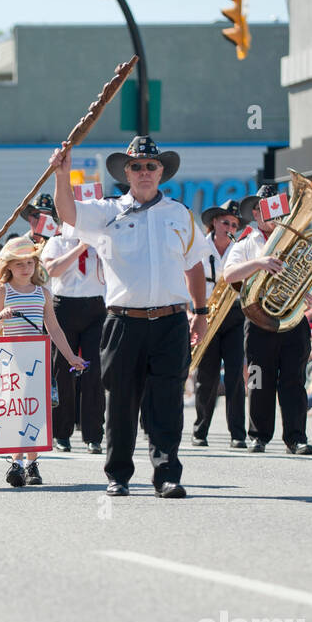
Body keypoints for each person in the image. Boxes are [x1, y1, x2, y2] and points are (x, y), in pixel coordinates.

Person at [51, 133, 209, 498]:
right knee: (120, 401)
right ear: (126, 172)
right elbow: (68, 213)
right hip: (123, 322)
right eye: (136, 166)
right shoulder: (107, 212)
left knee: (167, 400)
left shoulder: (180, 214)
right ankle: (118, 475)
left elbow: (194, 265)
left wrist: (200, 312)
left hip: (170, 321)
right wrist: (63, 176)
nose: (144, 172)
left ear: (161, 172)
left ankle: (167, 474)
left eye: (151, 166)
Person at [227, 184, 312, 453]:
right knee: (259, 379)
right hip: (259, 319)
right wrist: (259, 263)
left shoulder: (298, 240)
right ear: (256, 212)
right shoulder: (247, 243)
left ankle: (296, 437)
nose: (270, 214)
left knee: (294, 380)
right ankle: (259, 435)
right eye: (263, 208)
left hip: (293, 319)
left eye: (275, 207)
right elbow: (229, 274)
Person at [0, 236, 86, 487]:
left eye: (30, 262)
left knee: (34, 412)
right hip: (11, 358)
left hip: (37, 359)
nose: (26, 268)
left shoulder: (43, 292)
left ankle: (30, 463)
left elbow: (54, 328)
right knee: (17, 412)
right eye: (20, 263)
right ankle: (17, 463)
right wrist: (1, 317)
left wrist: (71, 356)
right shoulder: (3, 291)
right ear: (8, 266)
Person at [42, 213, 106, 454]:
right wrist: (81, 247)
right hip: (65, 306)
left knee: (94, 372)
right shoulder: (57, 242)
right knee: (63, 371)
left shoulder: (100, 241)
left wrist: (94, 241)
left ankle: (93, 435)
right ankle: (62, 432)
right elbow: (52, 270)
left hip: (95, 306)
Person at [190, 199, 246, 449]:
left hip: (234, 314)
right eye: (225, 222)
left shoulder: (242, 248)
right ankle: (200, 430)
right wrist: (193, 312)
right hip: (208, 314)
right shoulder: (201, 248)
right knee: (206, 377)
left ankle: (237, 434)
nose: (230, 228)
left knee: (236, 376)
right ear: (214, 223)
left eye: (234, 224)